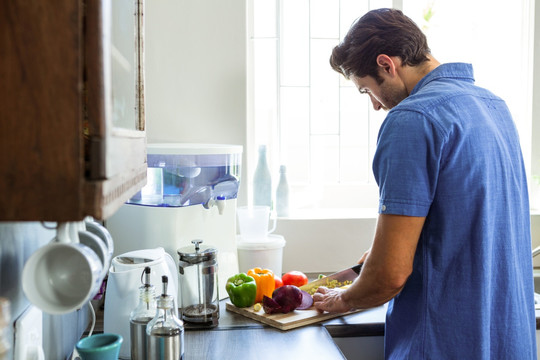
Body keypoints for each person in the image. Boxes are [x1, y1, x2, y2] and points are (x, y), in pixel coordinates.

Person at [312, 8, 537, 359]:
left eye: (366, 90)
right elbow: (472, 220)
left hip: (445, 344)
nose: (375, 105)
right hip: (509, 342)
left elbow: (389, 276)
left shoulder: (411, 119)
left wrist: (343, 298)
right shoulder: (495, 106)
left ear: (387, 65)